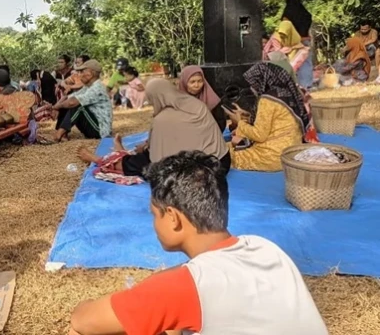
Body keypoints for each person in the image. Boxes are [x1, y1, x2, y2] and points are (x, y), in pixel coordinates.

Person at [68, 151, 327, 335]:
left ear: (173, 218)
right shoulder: (266, 248)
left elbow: (83, 320)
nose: (153, 224)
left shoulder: (185, 286)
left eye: (153, 214)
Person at [80, 79, 231, 178]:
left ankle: (105, 160)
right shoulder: (197, 104)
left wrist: (146, 149)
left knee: (141, 162)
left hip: (197, 173)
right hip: (221, 163)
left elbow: (157, 156)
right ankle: (122, 154)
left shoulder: (162, 119)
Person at [223, 63, 308, 172]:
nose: (252, 87)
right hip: (292, 151)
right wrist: (247, 117)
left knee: (224, 152)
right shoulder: (285, 93)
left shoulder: (267, 100)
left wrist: (239, 122)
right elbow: (276, 121)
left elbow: (259, 135)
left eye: (253, 83)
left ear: (263, 80)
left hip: (274, 156)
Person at [51, 60, 113, 141]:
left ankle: (59, 134)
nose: (79, 75)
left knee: (77, 105)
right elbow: (67, 98)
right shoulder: (88, 87)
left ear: (90, 73)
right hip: (92, 126)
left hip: (100, 131)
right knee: (68, 103)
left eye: (81, 71)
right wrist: (55, 107)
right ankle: (63, 134)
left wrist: (56, 107)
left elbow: (72, 102)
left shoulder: (97, 88)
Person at [264, 0, 313, 88]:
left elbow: (284, 29)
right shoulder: (307, 14)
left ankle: (293, 84)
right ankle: (306, 84)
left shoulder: (287, 14)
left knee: (292, 64)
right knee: (306, 63)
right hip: (305, 40)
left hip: (292, 43)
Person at [178, 66, 226, 131]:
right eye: (192, 82)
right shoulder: (177, 101)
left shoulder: (212, 100)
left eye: (200, 81)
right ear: (184, 82)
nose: (196, 85)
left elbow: (221, 123)